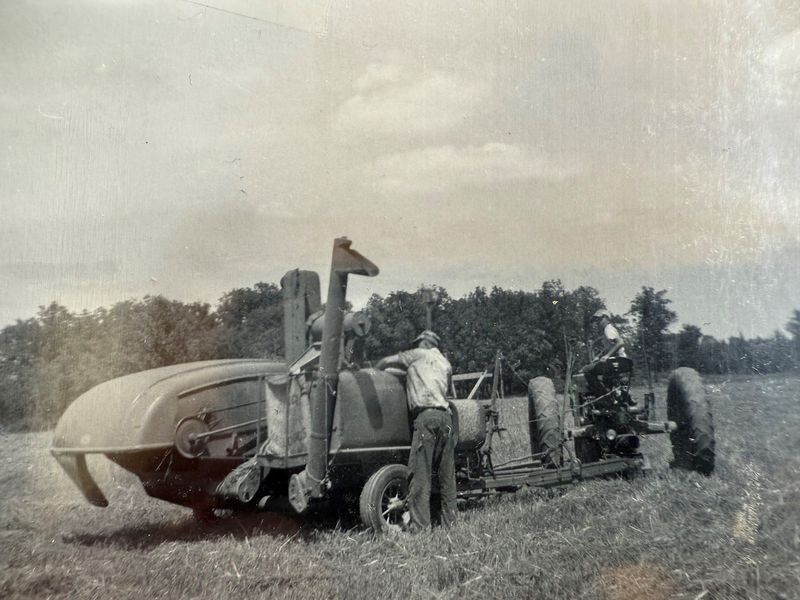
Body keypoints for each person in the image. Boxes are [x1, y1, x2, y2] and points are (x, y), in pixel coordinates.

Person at [376, 330, 456, 531]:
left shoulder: (418, 354)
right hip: (446, 418)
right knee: (447, 476)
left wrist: (374, 371)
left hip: (426, 418)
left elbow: (387, 361)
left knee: (420, 475)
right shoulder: (445, 362)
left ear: (423, 343)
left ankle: (420, 528)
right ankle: (450, 525)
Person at [584, 309, 628, 396]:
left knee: (587, 370)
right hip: (616, 360)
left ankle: (603, 397)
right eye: (596, 320)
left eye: (599, 319)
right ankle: (610, 395)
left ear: (606, 318)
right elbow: (609, 348)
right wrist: (599, 356)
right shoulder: (606, 330)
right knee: (604, 378)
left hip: (616, 360)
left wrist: (606, 356)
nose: (597, 322)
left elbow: (620, 342)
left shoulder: (608, 329)